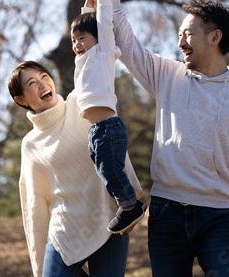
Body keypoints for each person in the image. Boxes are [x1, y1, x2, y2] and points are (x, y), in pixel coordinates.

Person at [92, 0, 229, 277]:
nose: (180, 39)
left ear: (214, 37)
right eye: (179, 34)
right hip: (165, 213)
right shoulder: (167, 75)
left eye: (187, 33)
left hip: (218, 217)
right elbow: (129, 48)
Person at [8, 60, 142, 277]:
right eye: (32, 83)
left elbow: (100, 64)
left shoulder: (81, 101)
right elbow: (34, 205)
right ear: (21, 99)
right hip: (64, 231)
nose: (42, 84)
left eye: (43, 76)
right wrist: (38, 262)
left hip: (107, 218)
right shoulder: (30, 144)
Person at [71, 0, 146, 234]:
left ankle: (130, 206)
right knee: (104, 169)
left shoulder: (103, 51)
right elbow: (88, 24)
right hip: (96, 131)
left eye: (81, 39)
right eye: (74, 41)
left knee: (109, 169)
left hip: (108, 128)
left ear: (97, 40)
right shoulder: (83, 61)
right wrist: (88, 6)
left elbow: (102, 24)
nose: (77, 45)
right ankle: (127, 205)